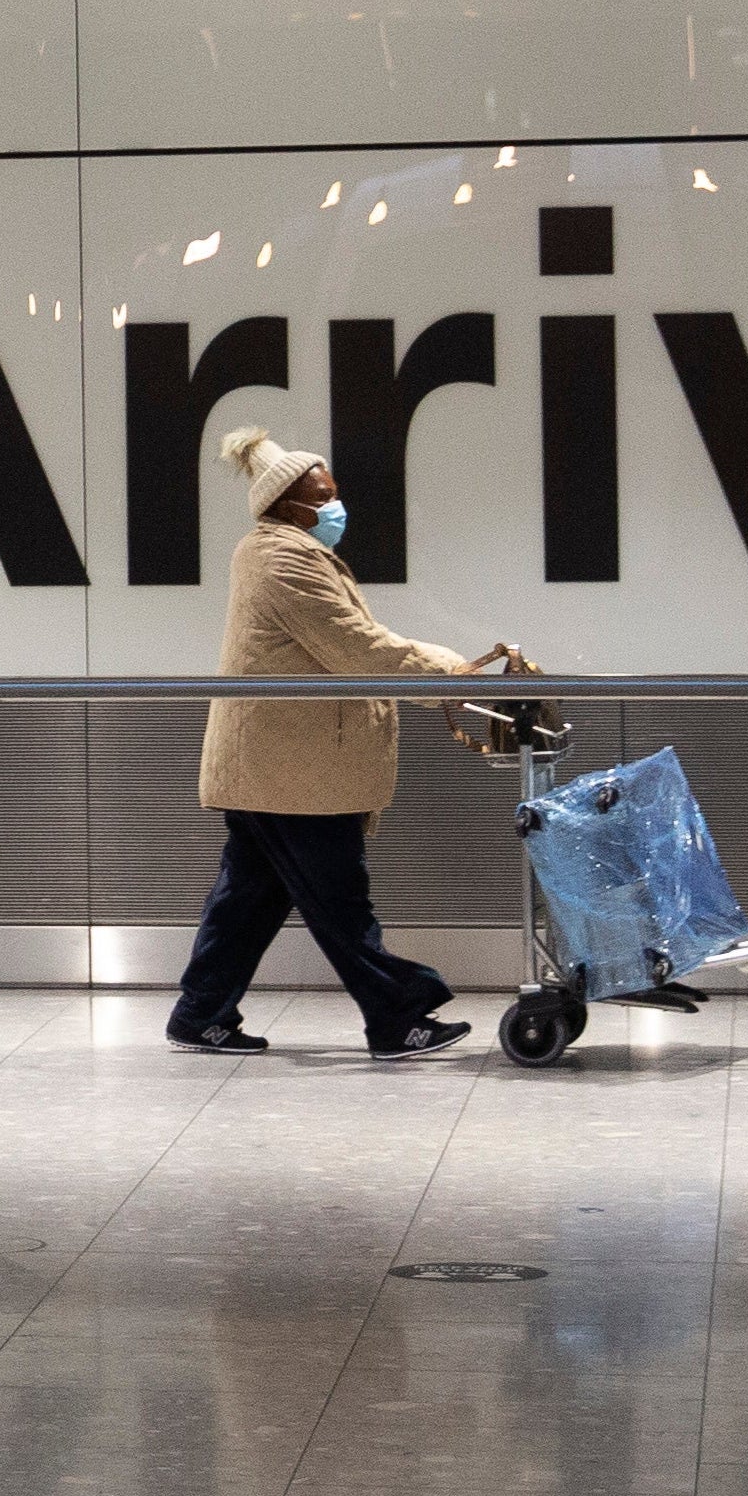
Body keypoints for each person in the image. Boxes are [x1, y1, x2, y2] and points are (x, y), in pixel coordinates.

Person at [174, 421, 526, 1058]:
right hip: (294, 771)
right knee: (339, 901)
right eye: (325, 494)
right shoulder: (283, 559)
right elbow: (355, 645)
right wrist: (448, 670)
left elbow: (349, 641)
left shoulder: (286, 553)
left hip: (275, 765)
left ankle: (200, 1014)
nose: (336, 505)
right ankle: (396, 1016)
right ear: (292, 505)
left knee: (248, 899)